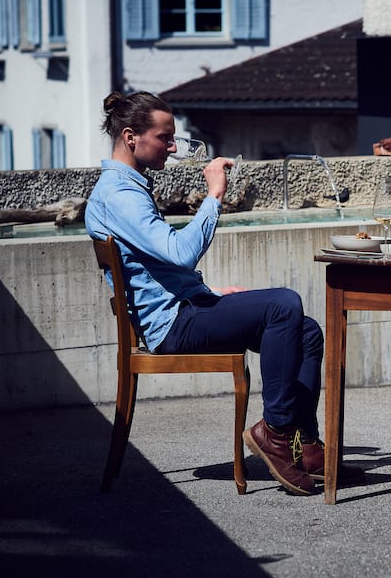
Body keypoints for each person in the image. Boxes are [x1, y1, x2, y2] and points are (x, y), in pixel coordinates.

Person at [86, 91, 339, 496]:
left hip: (186, 309)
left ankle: (302, 443)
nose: (172, 147)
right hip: (173, 327)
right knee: (283, 303)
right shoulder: (119, 194)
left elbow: (156, 270)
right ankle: (274, 433)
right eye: (164, 137)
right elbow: (180, 255)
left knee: (305, 331)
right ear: (131, 137)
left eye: (173, 138)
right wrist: (214, 194)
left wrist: (216, 292)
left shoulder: (126, 189)